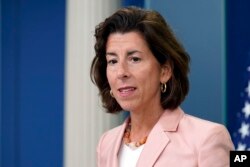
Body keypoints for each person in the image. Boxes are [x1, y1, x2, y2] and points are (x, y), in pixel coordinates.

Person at [90, 6, 234, 167]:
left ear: (164, 71)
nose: (121, 72)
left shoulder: (208, 138)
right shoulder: (106, 143)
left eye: (135, 59)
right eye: (113, 61)